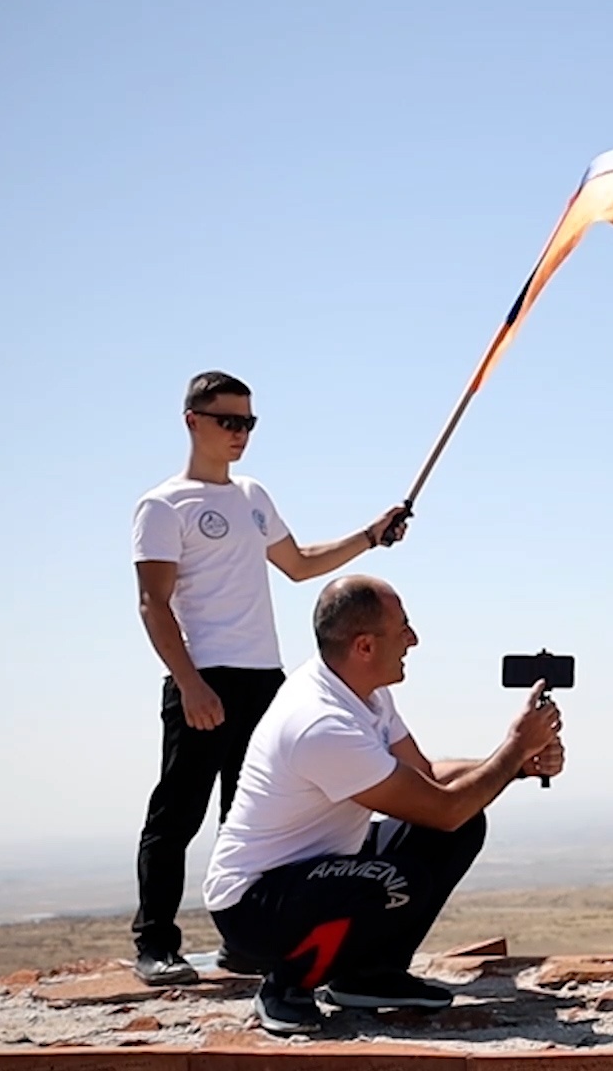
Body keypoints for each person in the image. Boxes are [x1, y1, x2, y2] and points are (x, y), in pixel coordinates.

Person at [130, 370, 411, 985]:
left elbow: (301, 564)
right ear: (193, 421)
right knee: (176, 816)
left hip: (266, 680)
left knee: (248, 814)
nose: (240, 434)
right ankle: (155, 945)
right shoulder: (163, 505)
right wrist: (191, 684)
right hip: (203, 677)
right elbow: (154, 602)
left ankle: (246, 946)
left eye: (248, 423)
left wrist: (370, 536)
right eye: (228, 421)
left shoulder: (253, 496)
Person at [203, 575, 565, 1035]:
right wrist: (514, 749)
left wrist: (518, 766)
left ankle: (369, 975)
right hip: (253, 905)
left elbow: (427, 780)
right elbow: (442, 807)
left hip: (320, 871)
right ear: (364, 646)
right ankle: (286, 987)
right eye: (403, 629)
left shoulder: (366, 693)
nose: (413, 640)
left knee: (464, 825)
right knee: (400, 879)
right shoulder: (320, 723)